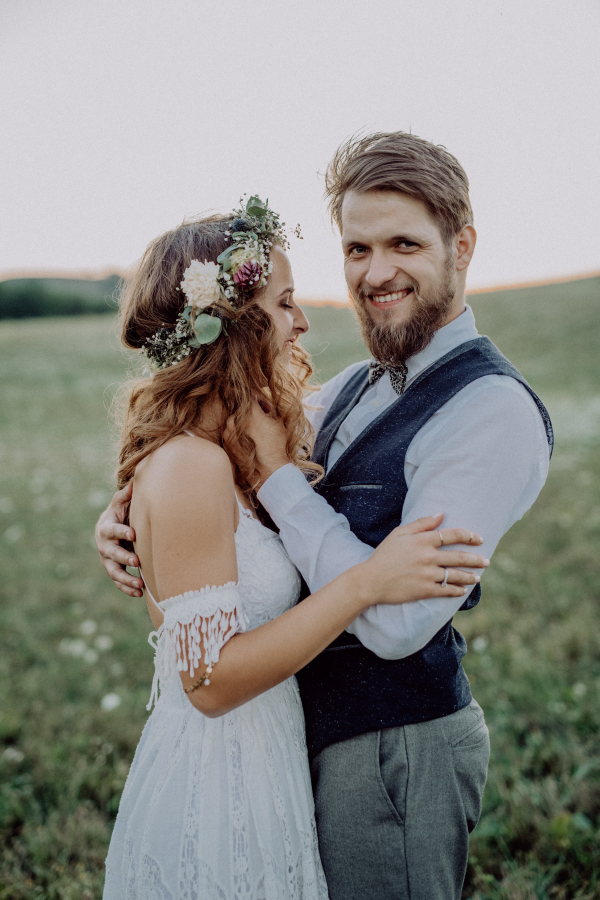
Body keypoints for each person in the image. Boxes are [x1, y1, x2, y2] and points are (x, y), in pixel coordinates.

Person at [99, 195, 489, 900]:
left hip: (269, 757)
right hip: (218, 784)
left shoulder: (240, 445)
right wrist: (366, 583)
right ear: (233, 327)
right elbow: (209, 682)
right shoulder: (192, 464)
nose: (303, 320)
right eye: (283, 303)